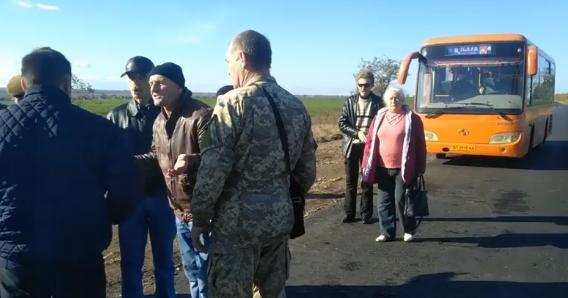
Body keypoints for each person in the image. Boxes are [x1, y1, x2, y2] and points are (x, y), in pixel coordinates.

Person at [0, 47, 141, 297]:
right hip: (80, 252)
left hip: (16, 255)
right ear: (67, 83)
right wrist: (101, 218)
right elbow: (126, 190)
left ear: (24, 82)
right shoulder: (100, 129)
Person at [190, 30, 316, 298]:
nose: (228, 71)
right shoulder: (296, 106)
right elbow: (307, 172)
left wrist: (200, 218)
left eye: (228, 62)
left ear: (242, 58)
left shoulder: (232, 103)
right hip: (279, 221)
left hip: (236, 228)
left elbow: (213, 171)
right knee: (272, 292)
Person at [135, 62, 211, 298]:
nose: (154, 88)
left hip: (204, 211)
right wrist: (128, 163)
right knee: (192, 271)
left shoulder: (200, 115)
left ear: (178, 85)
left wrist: (191, 161)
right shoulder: (159, 121)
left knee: (208, 273)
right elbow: (156, 155)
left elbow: (217, 160)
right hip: (178, 211)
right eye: (151, 84)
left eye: (160, 82)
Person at [107, 56, 176, 298]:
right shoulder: (115, 117)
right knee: (130, 263)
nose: (136, 83)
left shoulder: (166, 114)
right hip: (130, 201)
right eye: (131, 78)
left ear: (153, 79)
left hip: (162, 198)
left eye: (141, 77)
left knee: (165, 261)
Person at [361, 86, 426, 242]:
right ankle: (387, 232)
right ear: (386, 100)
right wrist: (365, 164)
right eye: (390, 98)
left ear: (402, 100)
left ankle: (409, 230)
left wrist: (421, 168)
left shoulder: (412, 119)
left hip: (403, 168)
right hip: (382, 167)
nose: (393, 101)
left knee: (401, 200)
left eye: (397, 98)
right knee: (383, 202)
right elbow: (369, 142)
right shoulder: (379, 117)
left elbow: (420, 145)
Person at [338, 70, 384, 224]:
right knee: (350, 182)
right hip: (352, 146)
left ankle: (366, 214)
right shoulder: (350, 101)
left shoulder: (379, 102)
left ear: (372, 85)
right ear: (357, 85)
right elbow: (342, 124)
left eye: (366, 85)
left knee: (367, 180)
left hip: (369, 147)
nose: (363, 88)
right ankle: (349, 214)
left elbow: (383, 123)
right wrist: (357, 134)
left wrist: (371, 135)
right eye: (360, 85)